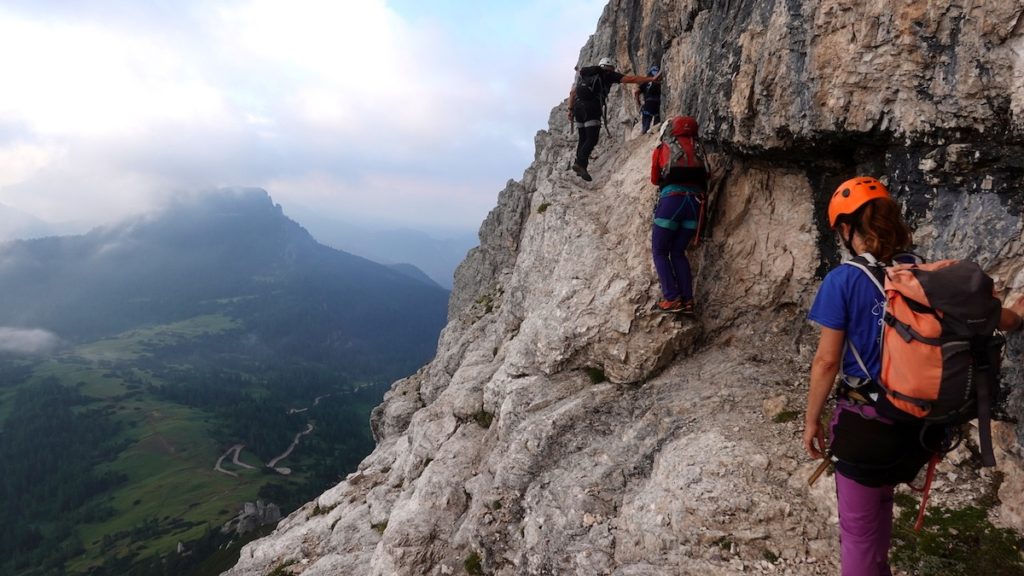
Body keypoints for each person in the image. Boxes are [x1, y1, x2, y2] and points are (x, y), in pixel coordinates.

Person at [802, 176, 1024, 576]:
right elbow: (991, 319)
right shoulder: (923, 272)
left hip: (867, 430)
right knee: (881, 504)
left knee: (859, 535)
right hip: (922, 428)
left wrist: (810, 420)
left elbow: (826, 362)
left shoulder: (842, 280)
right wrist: (1017, 315)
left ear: (848, 229)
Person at [568, 57, 661, 182]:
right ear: (610, 67)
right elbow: (631, 79)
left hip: (577, 108)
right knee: (592, 138)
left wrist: (570, 110)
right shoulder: (608, 75)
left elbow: (573, 93)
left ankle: (581, 165)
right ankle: (580, 163)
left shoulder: (585, 76)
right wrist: (651, 78)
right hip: (592, 107)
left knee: (583, 137)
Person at [649, 116, 707, 314]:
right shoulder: (699, 148)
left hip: (672, 202)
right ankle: (688, 301)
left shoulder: (663, 148)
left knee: (659, 251)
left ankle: (672, 298)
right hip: (695, 205)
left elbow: (655, 179)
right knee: (678, 252)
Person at [634, 65, 662, 134]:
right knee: (657, 123)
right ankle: (655, 132)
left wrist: (639, 103)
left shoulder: (646, 81)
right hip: (658, 103)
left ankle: (644, 133)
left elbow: (636, 92)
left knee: (646, 125)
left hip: (648, 103)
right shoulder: (659, 80)